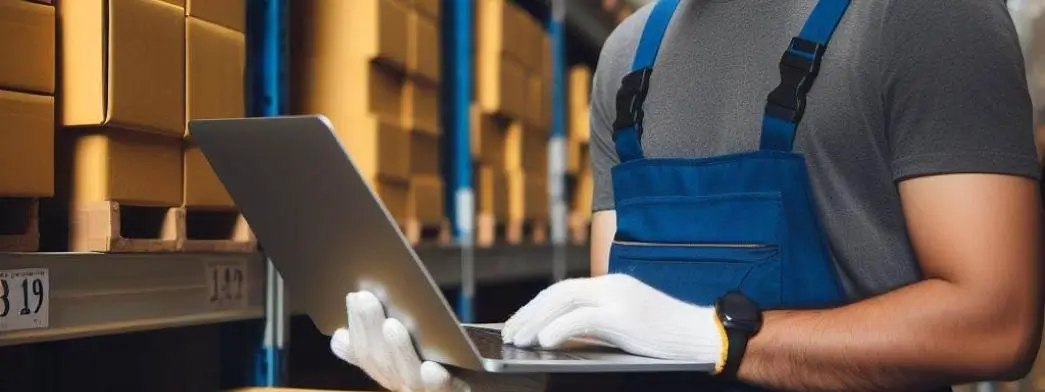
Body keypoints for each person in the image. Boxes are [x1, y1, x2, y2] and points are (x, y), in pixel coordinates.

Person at [330, 0, 1044, 391]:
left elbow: (997, 323)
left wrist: (721, 340)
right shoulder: (628, 54)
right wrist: (473, 388)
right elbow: (607, 341)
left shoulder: (924, 17)